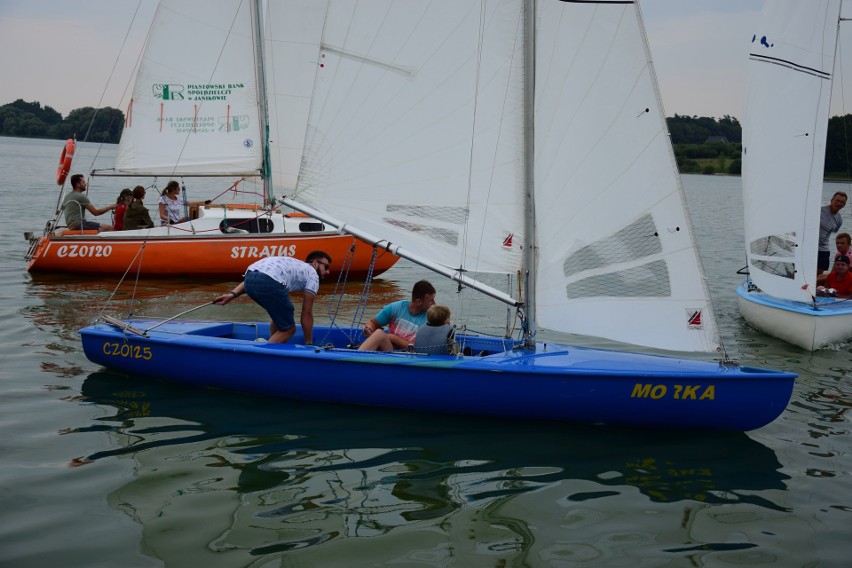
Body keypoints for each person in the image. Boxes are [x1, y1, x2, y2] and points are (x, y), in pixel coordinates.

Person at [212, 251, 332, 344]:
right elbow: (307, 314)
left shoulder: (295, 265)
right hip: (269, 281)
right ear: (315, 264)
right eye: (326, 267)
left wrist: (231, 295)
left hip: (249, 278)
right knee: (289, 329)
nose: (328, 272)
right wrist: (309, 344)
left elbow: (257, 275)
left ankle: (275, 344)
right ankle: (267, 354)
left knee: (281, 315)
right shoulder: (312, 274)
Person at [358, 280, 436, 352]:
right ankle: (355, 360)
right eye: (431, 300)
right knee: (378, 333)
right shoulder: (396, 308)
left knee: (379, 334)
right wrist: (369, 328)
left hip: (411, 357)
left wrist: (393, 338)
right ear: (419, 302)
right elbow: (372, 322)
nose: (434, 303)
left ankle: (356, 358)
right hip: (390, 350)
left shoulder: (430, 318)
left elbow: (420, 348)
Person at [818, 191, 847, 276]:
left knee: (818, 276)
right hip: (810, 246)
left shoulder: (839, 220)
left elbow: (833, 232)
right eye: (837, 200)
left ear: (844, 205)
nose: (839, 203)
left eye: (842, 202)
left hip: (823, 249)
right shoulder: (819, 210)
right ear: (832, 200)